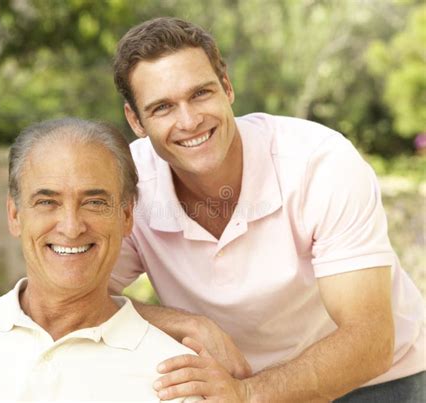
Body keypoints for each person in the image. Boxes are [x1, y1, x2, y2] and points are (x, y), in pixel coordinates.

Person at [110, 17, 425, 402]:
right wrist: (187, 324)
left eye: (201, 94)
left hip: (380, 381)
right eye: (162, 108)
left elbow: (369, 340)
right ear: (135, 120)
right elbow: (71, 301)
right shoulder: (126, 183)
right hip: (243, 385)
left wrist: (245, 394)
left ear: (227, 87)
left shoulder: (318, 163)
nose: (189, 121)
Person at [0, 118, 200, 402]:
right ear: (15, 214)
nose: (71, 228)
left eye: (94, 202)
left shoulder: (177, 379)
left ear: (127, 217)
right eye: (47, 202)